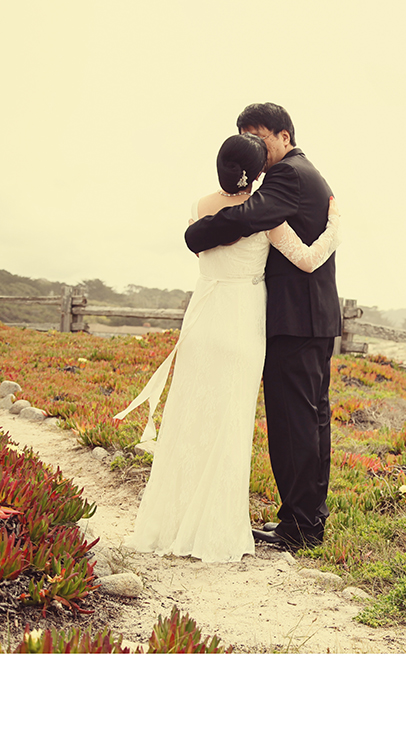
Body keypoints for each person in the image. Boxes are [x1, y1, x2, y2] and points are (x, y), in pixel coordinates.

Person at [115, 132, 340, 563]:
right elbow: (309, 259)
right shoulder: (263, 218)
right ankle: (214, 525)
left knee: (190, 414)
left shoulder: (201, 207)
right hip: (241, 322)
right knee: (229, 424)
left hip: (203, 316)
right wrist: (336, 229)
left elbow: (204, 241)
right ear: (258, 174)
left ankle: (172, 519)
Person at [185, 103, 339, 552]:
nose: (254, 143)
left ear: (285, 137)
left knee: (295, 425)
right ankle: (305, 519)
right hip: (309, 318)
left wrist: (197, 233)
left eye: (260, 135)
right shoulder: (303, 171)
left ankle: (300, 527)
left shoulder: (287, 174)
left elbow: (251, 216)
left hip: (295, 320)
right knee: (310, 422)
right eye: (245, 135)